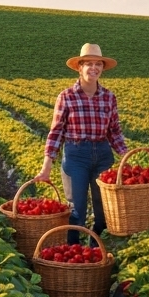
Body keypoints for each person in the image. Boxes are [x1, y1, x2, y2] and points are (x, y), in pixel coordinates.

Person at [37, 43, 127, 243]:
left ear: (103, 68)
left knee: (104, 207)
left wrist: (125, 155)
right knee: (76, 209)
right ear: (80, 67)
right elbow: (56, 132)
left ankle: (97, 251)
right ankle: (73, 252)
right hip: (76, 155)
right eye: (89, 64)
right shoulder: (66, 96)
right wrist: (46, 166)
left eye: (98, 64)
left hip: (103, 154)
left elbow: (114, 132)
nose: (94, 68)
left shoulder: (109, 97)